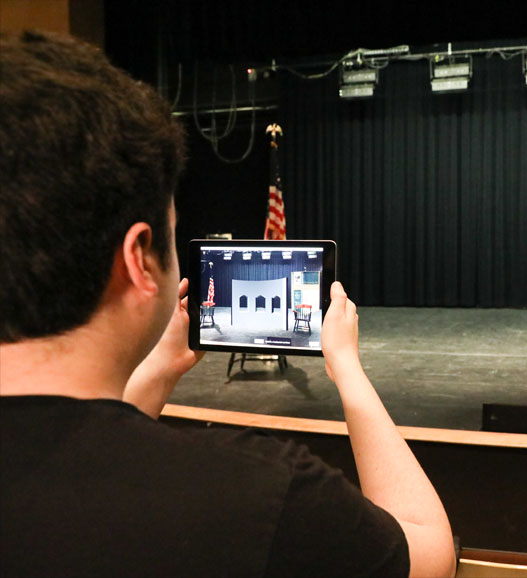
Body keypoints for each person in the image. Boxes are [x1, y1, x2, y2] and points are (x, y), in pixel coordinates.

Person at [0, 30, 455, 577]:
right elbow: (431, 554)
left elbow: (75, 450)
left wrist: (156, 374)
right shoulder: (264, 495)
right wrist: (348, 372)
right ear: (139, 259)